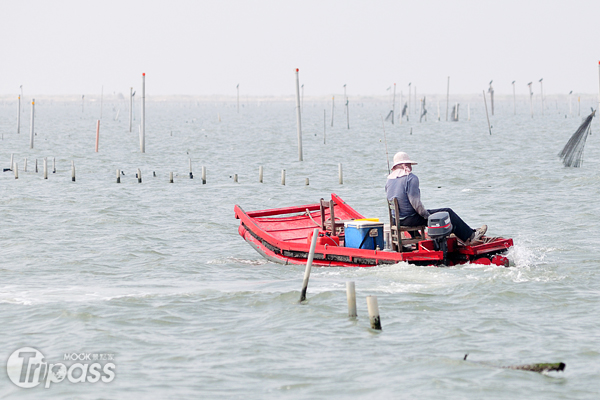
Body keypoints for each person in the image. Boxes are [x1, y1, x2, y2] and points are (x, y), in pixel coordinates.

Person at [385, 151, 487, 245]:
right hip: (409, 219)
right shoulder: (411, 178)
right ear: (406, 165)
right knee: (448, 212)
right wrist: (427, 215)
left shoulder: (389, 180)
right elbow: (415, 203)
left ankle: (420, 239)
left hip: (396, 219)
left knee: (427, 214)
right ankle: (470, 236)